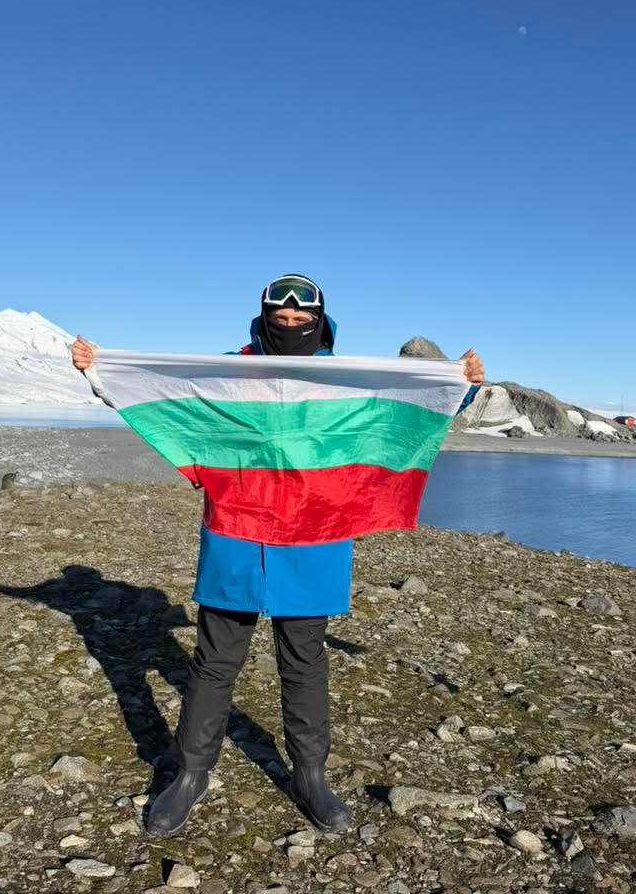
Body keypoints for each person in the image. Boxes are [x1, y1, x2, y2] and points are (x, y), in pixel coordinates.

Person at [70, 273, 484, 837]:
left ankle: (310, 775)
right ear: (263, 319)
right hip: (238, 528)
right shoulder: (230, 374)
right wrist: (100, 370)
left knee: (304, 658)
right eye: (280, 319)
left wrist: (462, 385)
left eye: (300, 319)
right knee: (215, 659)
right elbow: (170, 399)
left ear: (319, 321)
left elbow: (399, 411)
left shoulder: (342, 381)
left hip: (317, 533)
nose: (290, 326)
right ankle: (190, 774)